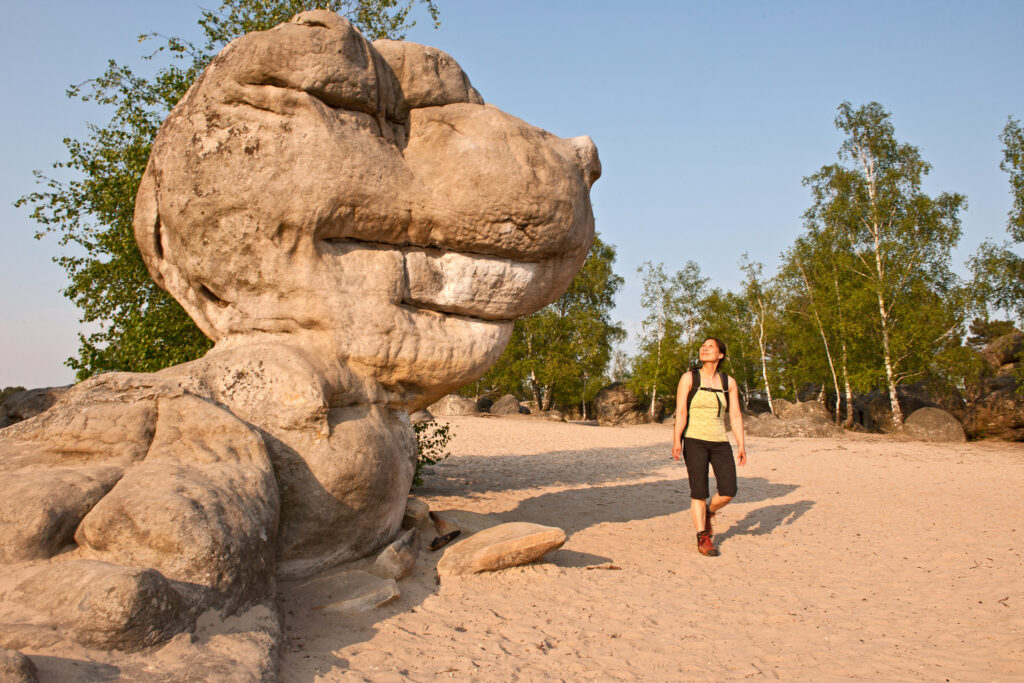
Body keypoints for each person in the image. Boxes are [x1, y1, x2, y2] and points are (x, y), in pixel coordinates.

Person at [671, 337, 747, 556]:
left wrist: (741, 444)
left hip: (720, 442)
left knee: (729, 491)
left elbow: (734, 415)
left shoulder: (728, 382)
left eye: (710, 347)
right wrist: (677, 440)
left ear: (720, 355)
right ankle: (703, 537)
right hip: (694, 440)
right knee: (699, 492)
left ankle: (709, 512)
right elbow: (682, 412)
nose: (704, 349)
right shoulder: (689, 378)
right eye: (703, 346)